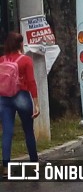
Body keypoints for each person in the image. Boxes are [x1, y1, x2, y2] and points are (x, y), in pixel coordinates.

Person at [0, 32, 40, 178]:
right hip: (21, 96)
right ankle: (34, 164)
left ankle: (5, 167)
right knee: (28, 130)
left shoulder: (1, 60)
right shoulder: (26, 60)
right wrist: (36, 103)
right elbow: (31, 82)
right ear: (20, 44)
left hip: (4, 98)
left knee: (7, 132)